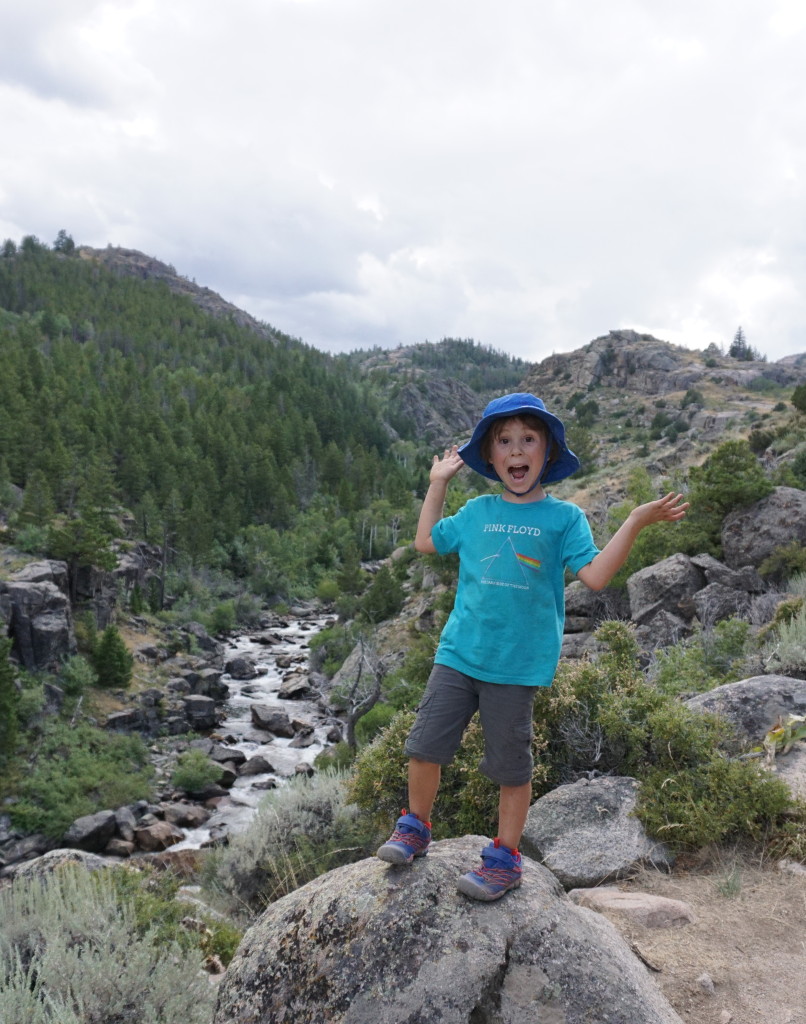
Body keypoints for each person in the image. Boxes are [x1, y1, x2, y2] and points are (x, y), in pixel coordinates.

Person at [376, 392, 689, 901]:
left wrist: (633, 521)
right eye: (504, 441)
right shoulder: (477, 511)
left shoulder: (565, 519)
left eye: (528, 440)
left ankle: (504, 858)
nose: (516, 450)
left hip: (516, 667)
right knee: (423, 747)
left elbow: (596, 576)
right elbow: (427, 541)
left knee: (510, 767)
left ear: (546, 453)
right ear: (492, 456)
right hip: (458, 654)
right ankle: (415, 826)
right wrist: (438, 483)